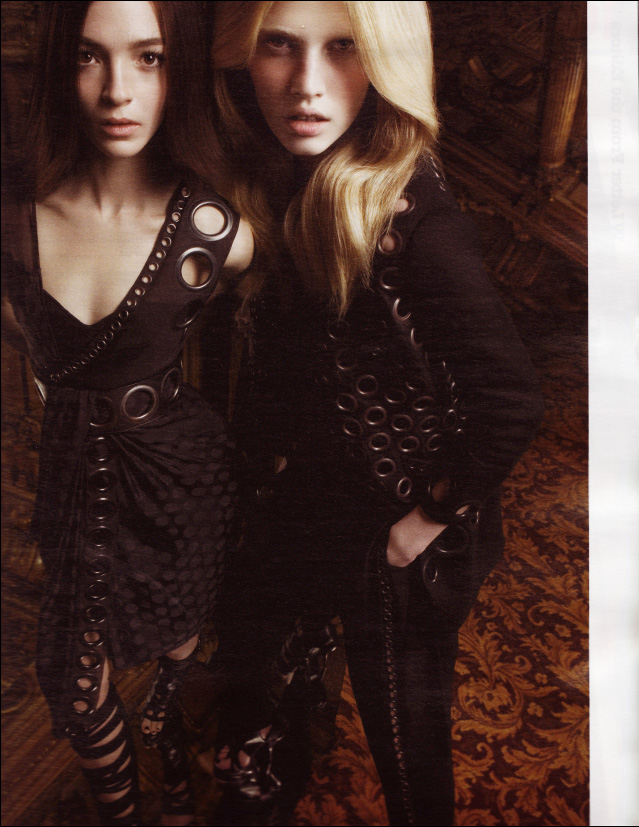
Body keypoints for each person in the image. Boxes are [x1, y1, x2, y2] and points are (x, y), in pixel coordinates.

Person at [207, 1, 543, 824]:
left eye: (344, 49)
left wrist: (423, 520)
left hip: (401, 527)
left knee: (404, 733)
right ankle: (266, 780)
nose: (306, 84)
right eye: (278, 46)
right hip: (318, 494)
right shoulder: (290, 169)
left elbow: (510, 398)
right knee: (264, 654)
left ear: (386, 63)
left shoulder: (414, 219)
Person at [1, 2, 253, 825]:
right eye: (89, 56)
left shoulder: (220, 234)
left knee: (177, 647)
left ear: (181, 69)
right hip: (74, 475)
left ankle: (169, 753)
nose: (117, 90)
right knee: (77, 692)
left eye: (149, 58)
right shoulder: (15, 220)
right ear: (58, 66)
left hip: (184, 478)